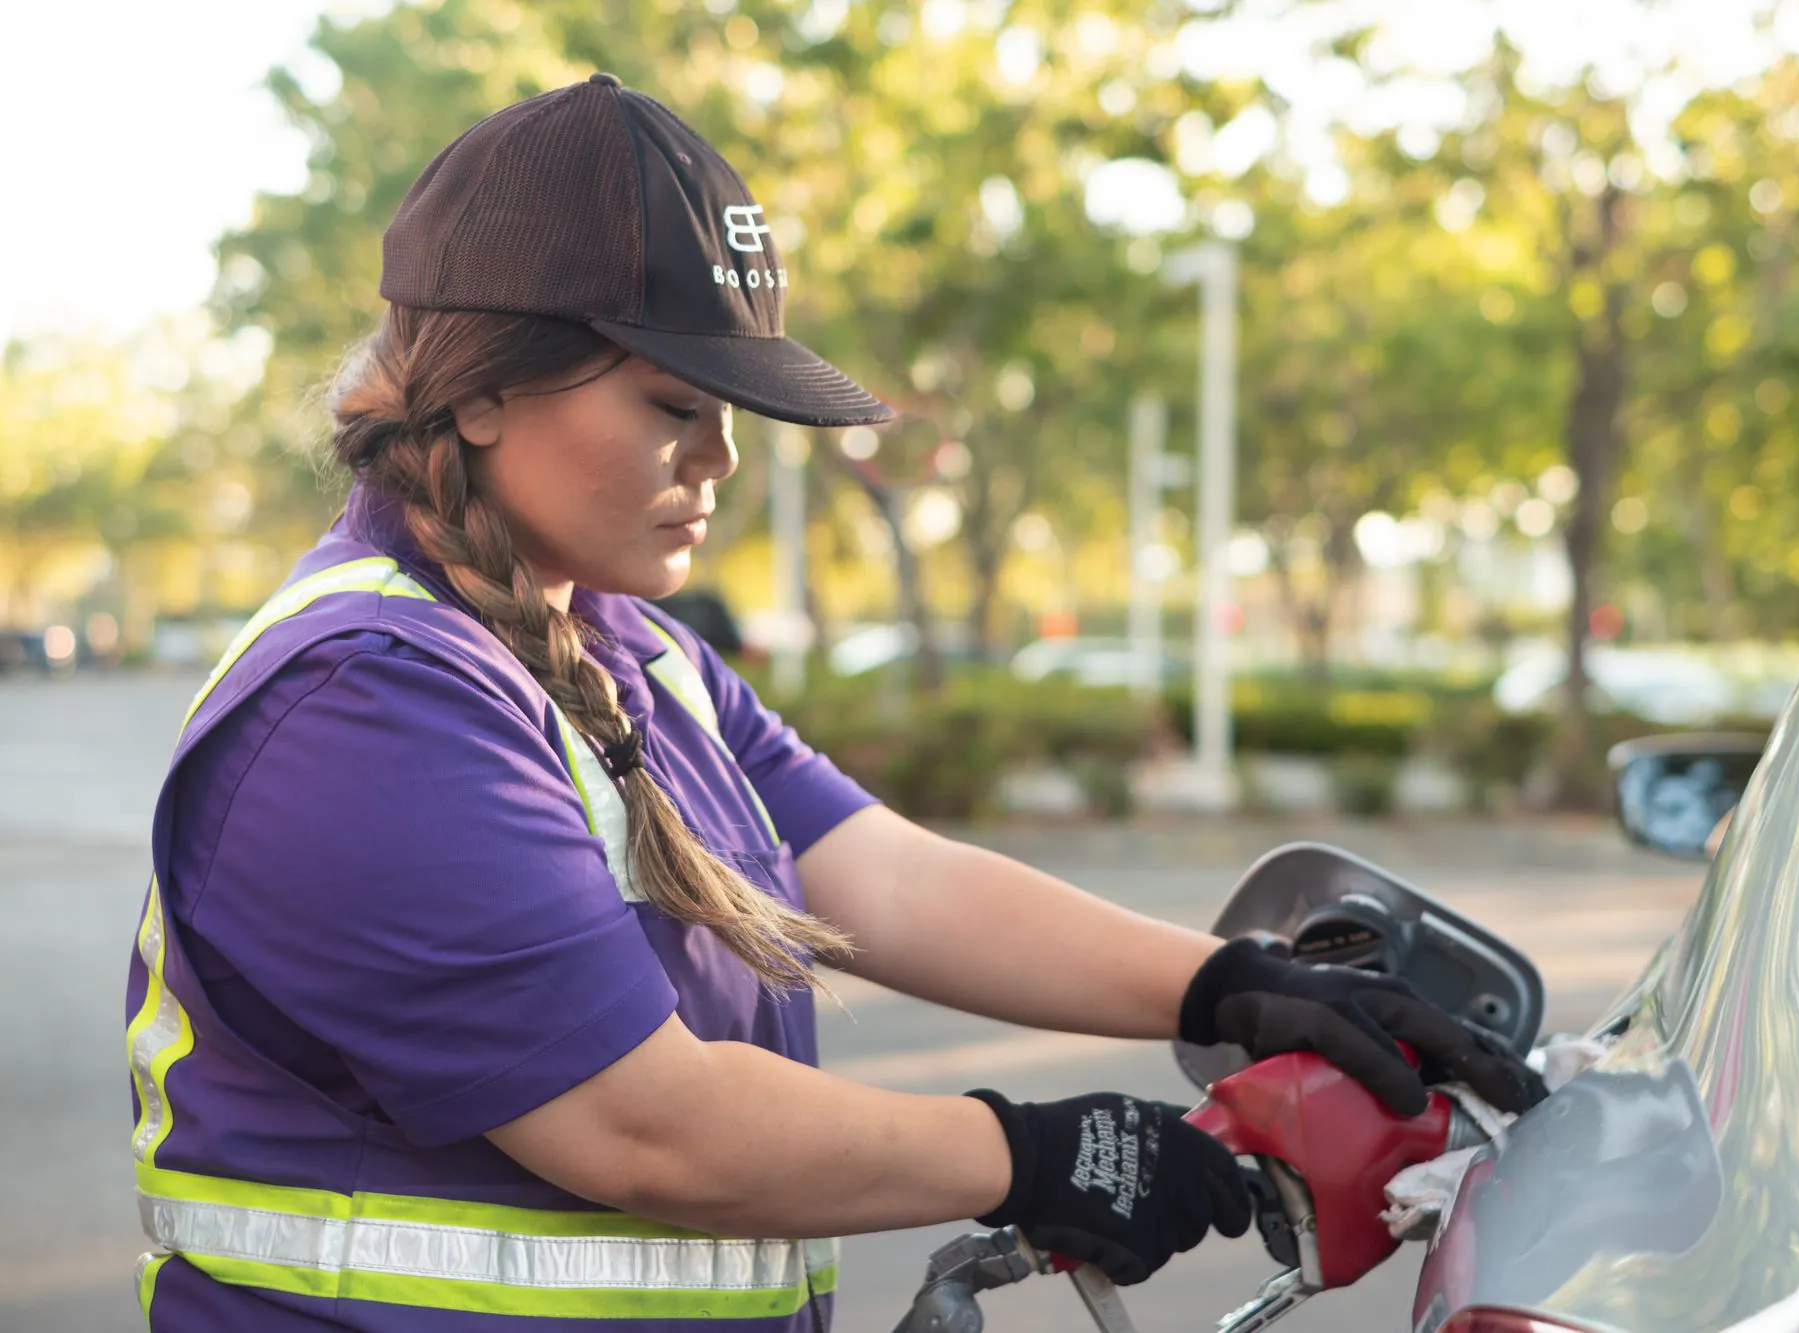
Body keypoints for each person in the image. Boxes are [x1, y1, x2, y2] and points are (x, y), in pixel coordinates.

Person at [123, 76, 1544, 1333]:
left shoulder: (627, 651)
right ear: (487, 394)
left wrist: (1225, 982)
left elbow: (891, 880)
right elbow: (646, 1128)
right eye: (674, 403)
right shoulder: (368, 707)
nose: (722, 458)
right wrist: (1034, 1152)